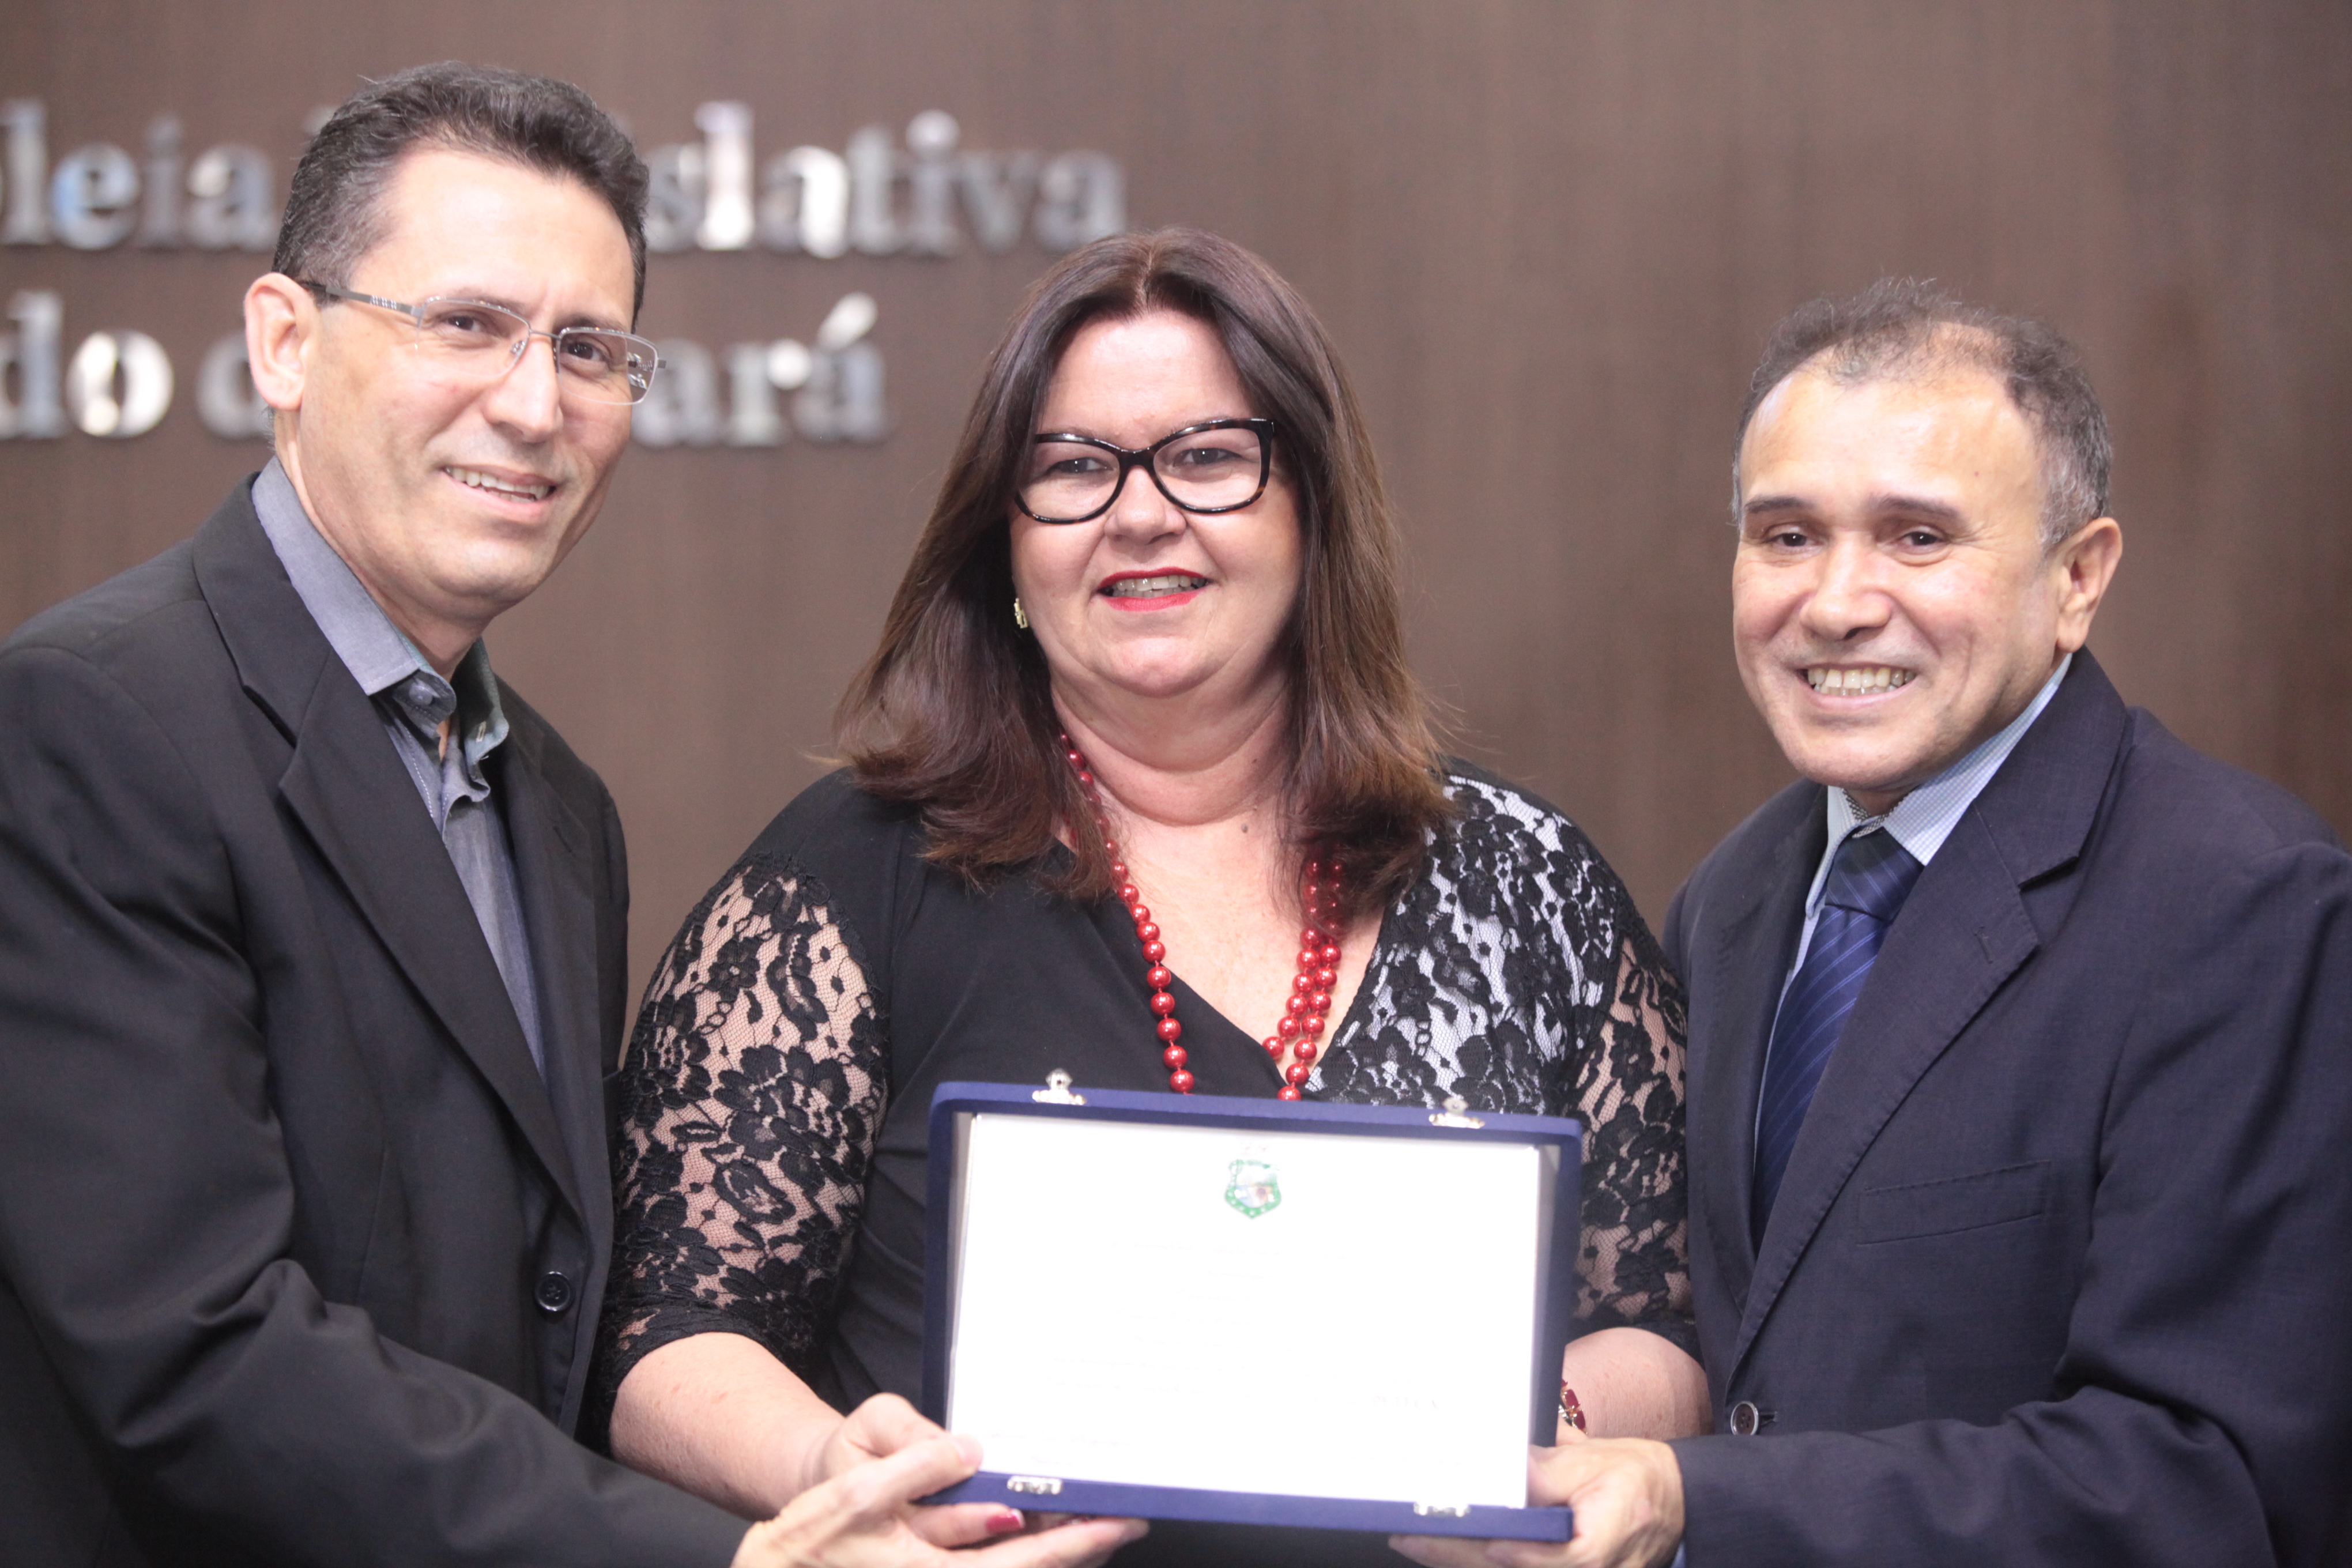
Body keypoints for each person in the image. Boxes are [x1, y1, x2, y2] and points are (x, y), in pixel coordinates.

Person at [0, 63, 1136, 1568]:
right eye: (467, 324)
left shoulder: (556, 805)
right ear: (285, 341)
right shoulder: (91, 724)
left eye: (588, 349)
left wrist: (820, 1458)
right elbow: (192, 1349)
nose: (536, 405)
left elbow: (547, 1315)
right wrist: (732, 1557)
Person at [593, 227, 1713, 1566]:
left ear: (1312, 511)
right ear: (1007, 544)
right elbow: (665, 1332)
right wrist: (833, 1469)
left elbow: (1667, 1324)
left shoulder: (1529, 884)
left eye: (1209, 457)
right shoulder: (848, 882)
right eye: (1074, 467)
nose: (1139, 513)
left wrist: (1526, 1429)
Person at [1400, 281, 2352, 1568]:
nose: (1838, 602)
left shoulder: (2243, 907)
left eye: (1917, 537)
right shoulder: (1732, 901)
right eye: (1787, 535)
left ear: (2078, 578)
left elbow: (2209, 1483)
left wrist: (1700, 1503)